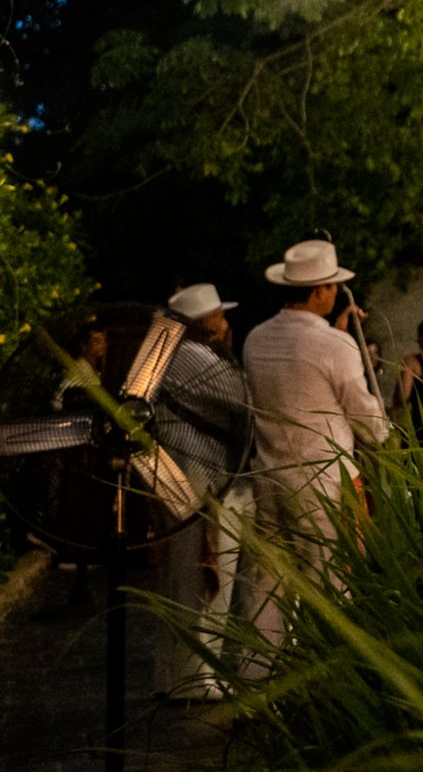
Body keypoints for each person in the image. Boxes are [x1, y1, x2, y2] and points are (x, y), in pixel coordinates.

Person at [243, 241, 390, 654]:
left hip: (270, 476)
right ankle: (326, 680)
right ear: (321, 290)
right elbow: (365, 418)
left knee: (267, 588)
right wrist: (384, 432)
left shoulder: (255, 339)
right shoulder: (334, 345)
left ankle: (256, 681)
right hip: (322, 484)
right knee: (330, 584)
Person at [152, 283, 249, 700]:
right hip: (200, 477)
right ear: (205, 324)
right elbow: (244, 398)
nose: (226, 324)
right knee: (206, 579)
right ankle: (196, 680)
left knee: (181, 578)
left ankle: (177, 676)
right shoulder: (194, 358)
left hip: (180, 474)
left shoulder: (171, 355)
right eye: (220, 317)